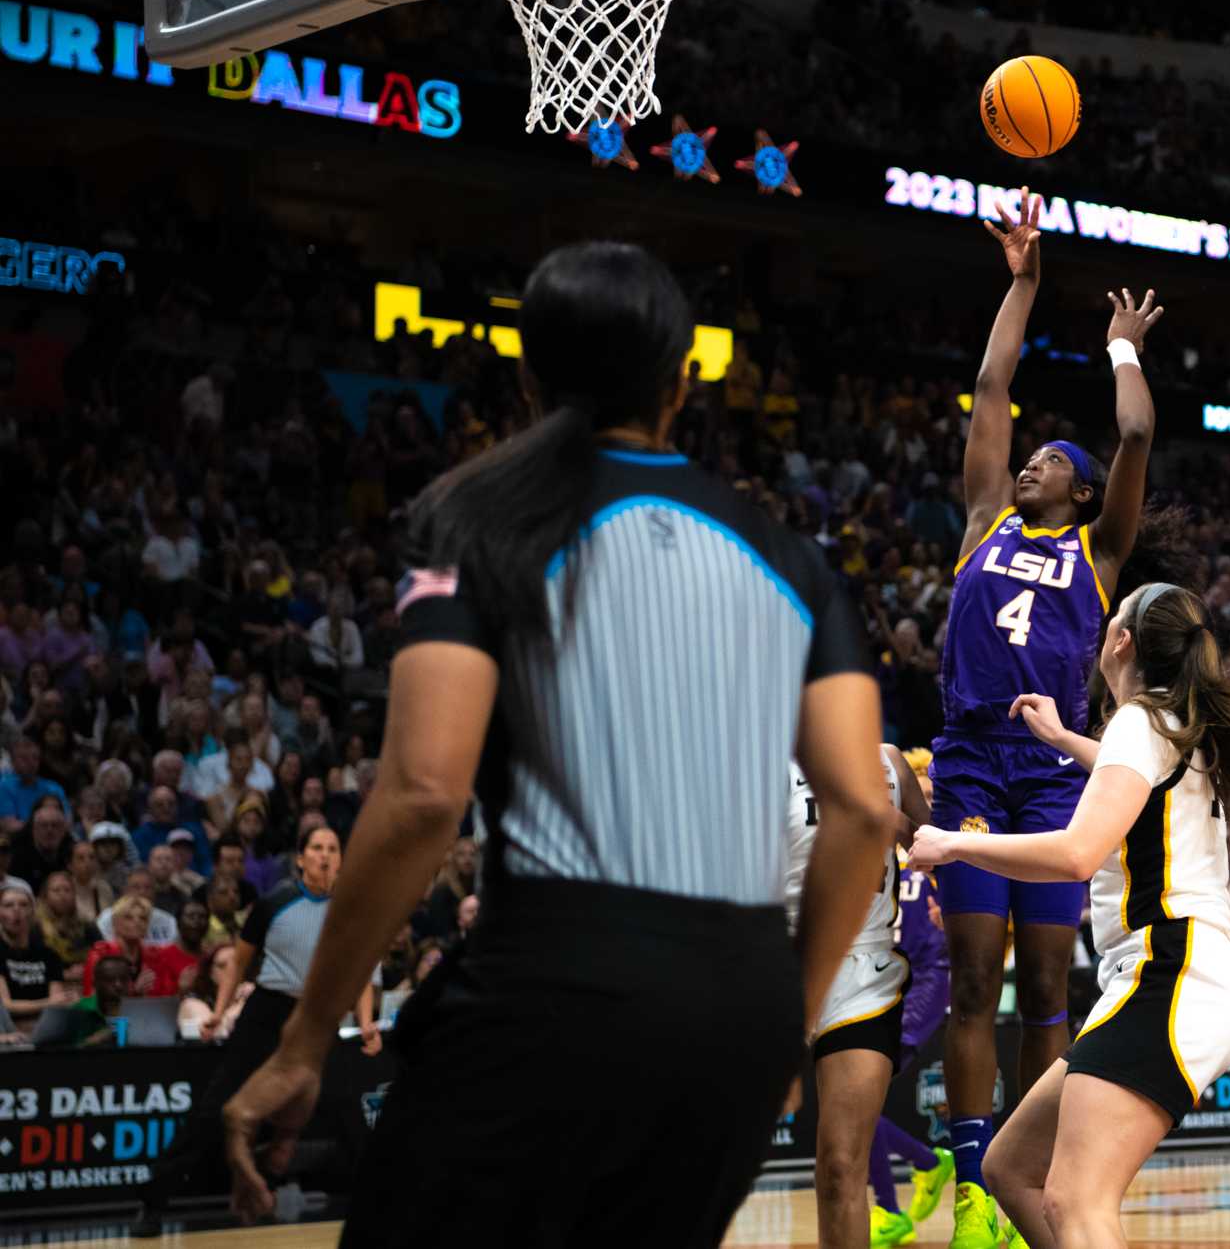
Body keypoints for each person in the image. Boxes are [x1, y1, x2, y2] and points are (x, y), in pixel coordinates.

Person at [216, 243, 894, 1247]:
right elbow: (864, 809)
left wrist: (305, 1039)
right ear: (680, 382)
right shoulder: (790, 557)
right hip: (740, 1010)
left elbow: (419, 798)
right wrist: (777, 1022)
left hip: (554, 985)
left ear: (528, 377)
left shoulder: (474, 517)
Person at [910, 581, 1230, 1249]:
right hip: (1176, 973)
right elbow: (1129, 779)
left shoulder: (1139, 721)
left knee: (1077, 1198)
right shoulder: (1172, 724)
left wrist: (954, 842)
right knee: (1011, 1167)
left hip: (1172, 969)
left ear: (1121, 640)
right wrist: (1062, 736)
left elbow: (1077, 854)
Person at [931, 189, 1164, 1247]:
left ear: (1075, 491)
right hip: (973, 763)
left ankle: (1037, 1164)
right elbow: (990, 383)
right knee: (974, 972)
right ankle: (973, 1176)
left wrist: (1122, 350)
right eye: (1028, 459)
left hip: (1056, 770)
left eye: (1048, 464)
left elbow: (1133, 434)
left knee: (1045, 987)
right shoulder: (983, 518)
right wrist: (1022, 281)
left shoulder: (1099, 554)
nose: (1030, 463)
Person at [136, 825, 380, 1227]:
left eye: (333, 849)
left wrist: (367, 1022)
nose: (325, 855)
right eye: (317, 848)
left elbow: (364, 973)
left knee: (346, 1106)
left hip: (318, 1016)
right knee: (215, 1107)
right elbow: (239, 961)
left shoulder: (355, 908)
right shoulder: (274, 902)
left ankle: (374, 1204)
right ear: (301, 859)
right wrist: (218, 1009)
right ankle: (153, 1201)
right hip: (267, 1011)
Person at [786, 745, 930, 1249]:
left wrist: (892, 819)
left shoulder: (889, 762)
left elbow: (931, 847)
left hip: (861, 972)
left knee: (841, 1163)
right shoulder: (751, 756)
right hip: (774, 964)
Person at [869, 751, 958, 1247]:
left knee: (857, 1101)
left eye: (930, 793)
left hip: (929, 979)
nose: (923, 798)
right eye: (915, 791)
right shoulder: (881, 842)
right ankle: (925, 1166)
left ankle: (893, 1205)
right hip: (881, 977)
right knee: (854, 1102)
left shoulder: (946, 849)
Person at [1, 877, 75, 1039]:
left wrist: (51, 1004)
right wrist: (47, 1003)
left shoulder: (49, 955)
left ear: (32, 912)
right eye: (8, 905)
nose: (16, 910)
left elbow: (58, 1002)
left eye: (23, 905)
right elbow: (6, 1005)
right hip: (8, 1030)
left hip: (44, 1030)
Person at [83, 895, 197, 998]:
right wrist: (134, 991)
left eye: (143, 918)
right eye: (128, 917)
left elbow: (165, 998)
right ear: (115, 923)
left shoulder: (156, 956)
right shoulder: (101, 953)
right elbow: (91, 998)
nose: (137, 922)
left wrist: (181, 988)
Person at [61, 953, 134, 1048]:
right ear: (95, 983)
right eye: (110, 979)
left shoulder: (140, 1011)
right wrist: (96, 1040)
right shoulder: (80, 1010)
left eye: (124, 979)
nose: (118, 985)